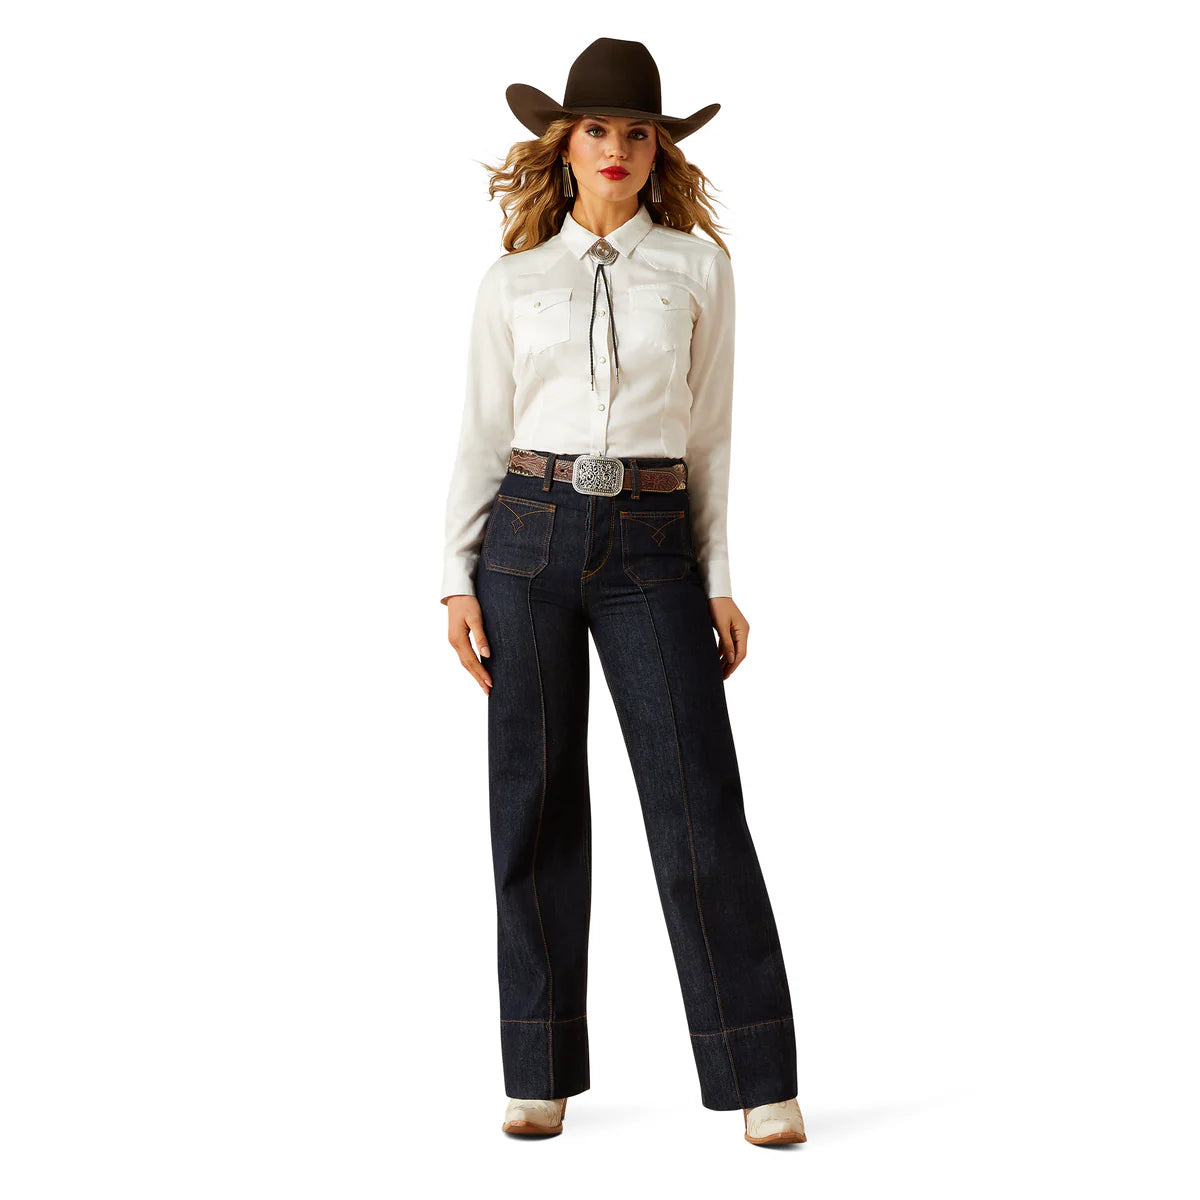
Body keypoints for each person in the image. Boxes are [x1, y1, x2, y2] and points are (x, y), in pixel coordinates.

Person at [440, 38, 806, 1147]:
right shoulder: (514, 281)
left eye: (636, 133)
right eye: (596, 130)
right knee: (534, 804)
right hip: (525, 541)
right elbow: (482, 434)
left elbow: (712, 434)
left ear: (659, 151)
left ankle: (758, 1075)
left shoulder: (699, 270)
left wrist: (719, 576)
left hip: (653, 545)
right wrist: (455, 577)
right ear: (565, 145)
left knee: (698, 803)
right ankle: (538, 1068)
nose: (616, 149)